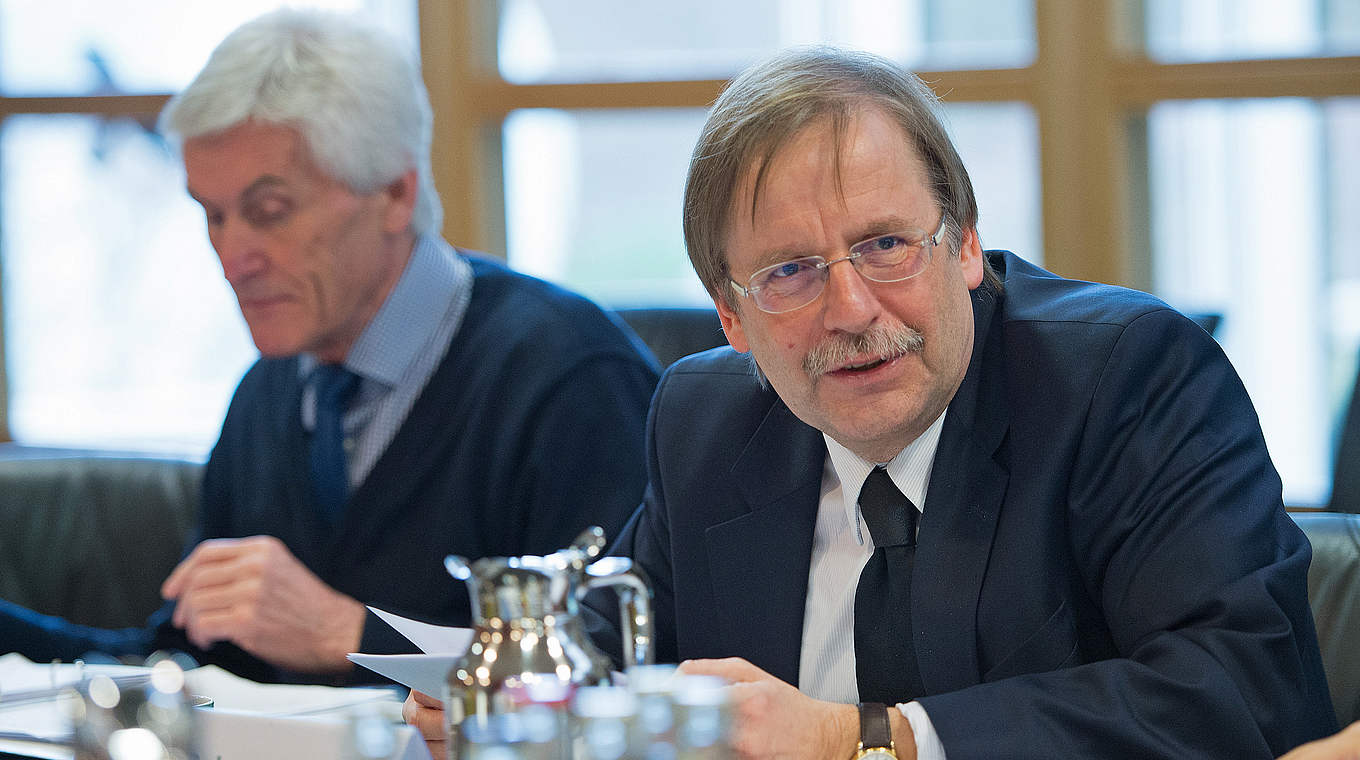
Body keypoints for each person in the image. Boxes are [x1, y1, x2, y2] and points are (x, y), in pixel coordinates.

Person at [404, 46, 1334, 758]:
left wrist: (861, 738)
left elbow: (1239, 690)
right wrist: (516, 702)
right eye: (792, 272)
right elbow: (625, 657)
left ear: (965, 247)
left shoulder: (1125, 379)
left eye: (887, 245)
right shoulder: (705, 422)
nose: (851, 310)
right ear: (731, 316)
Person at [0, 9, 657, 685]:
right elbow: (193, 668)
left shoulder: (569, 373)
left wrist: (348, 634)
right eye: (213, 214)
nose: (232, 258)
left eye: (269, 211)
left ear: (397, 193)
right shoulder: (271, 387)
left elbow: (612, 673)